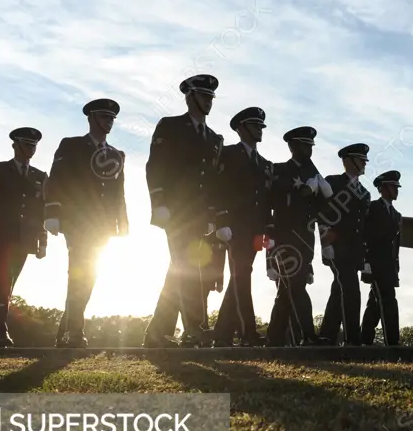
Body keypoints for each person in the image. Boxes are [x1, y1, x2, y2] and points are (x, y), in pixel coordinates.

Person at [142, 74, 232, 348]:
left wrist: (218, 217)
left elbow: (216, 182)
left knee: (178, 270)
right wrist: (159, 204)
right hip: (177, 212)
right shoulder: (170, 126)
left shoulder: (215, 138)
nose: (209, 102)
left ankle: (157, 333)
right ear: (190, 96)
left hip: (200, 215)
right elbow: (155, 166)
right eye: (204, 97)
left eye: (210, 98)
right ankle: (195, 328)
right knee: (188, 267)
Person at [44, 99, 129, 348]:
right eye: (104, 117)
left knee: (90, 275)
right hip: (76, 220)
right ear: (91, 118)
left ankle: (66, 329)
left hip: (102, 223)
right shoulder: (71, 146)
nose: (109, 122)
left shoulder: (116, 154)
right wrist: (52, 212)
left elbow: (119, 192)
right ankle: (75, 332)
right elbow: (56, 179)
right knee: (79, 271)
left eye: (112, 118)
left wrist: (122, 223)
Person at [0, 127, 48, 347]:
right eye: (27, 144)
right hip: (1, 234)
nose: (31, 149)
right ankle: (1, 331)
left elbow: (41, 211)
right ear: (15, 145)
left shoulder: (39, 176)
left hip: (26, 237)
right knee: (3, 276)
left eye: (34, 145)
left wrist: (43, 241)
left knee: (10, 281)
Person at [264, 126, 330, 346]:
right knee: (295, 286)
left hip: (305, 239)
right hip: (285, 237)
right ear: (293, 146)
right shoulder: (280, 169)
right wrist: (303, 189)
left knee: (288, 289)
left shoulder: (313, 173)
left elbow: (323, 210)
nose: (309, 150)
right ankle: (308, 335)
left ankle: (274, 339)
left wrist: (325, 195)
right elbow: (273, 198)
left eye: (310, 146)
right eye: (304, 145)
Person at [214, 107, 272, 347]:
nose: (259, 130)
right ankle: (247, 332)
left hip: (254, 230)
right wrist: (221, 221)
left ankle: (222, 334)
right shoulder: (227, 154)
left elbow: (266, 199)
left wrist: (266, 231)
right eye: (255, 125)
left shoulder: (264, 163)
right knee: (242, 277)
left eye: (260, 126)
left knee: (239, 277)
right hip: (235, 227)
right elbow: (217, 188)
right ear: (241, 128)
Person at [317, 143, 371, 346]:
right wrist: (325, 244)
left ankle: (327, 335)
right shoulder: (333, 183)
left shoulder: (365, 193)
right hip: (337, 247)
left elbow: (363, 227)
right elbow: (323, 216)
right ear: (348, 160)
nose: (364, 163)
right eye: (360, 159)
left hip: (354, 250)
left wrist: (365, 257)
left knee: (338, 290)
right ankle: (352, 340)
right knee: (350, 290)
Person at [361, 170, 403, 346]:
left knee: (375, 306)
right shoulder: (372, 208)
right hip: (375, 264)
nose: (396, 190)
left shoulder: (396, 215)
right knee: (388, 301)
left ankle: (364, 341)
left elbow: (395, 245)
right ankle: (392, 343)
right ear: (383, 188)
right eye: (393, 187)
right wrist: (365, 262)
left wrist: (396, 266)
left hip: (388, 267)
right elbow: (364, 235)